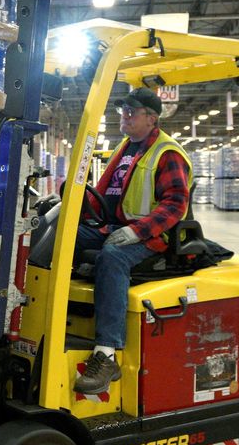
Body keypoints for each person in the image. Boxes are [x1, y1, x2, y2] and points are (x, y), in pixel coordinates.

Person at [73, 87, 192, 395]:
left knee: (112, 256)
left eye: (131, 112)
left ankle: (106, 354)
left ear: (151, 118)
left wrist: (138, 231)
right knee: (61, 238)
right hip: (114, 227)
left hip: (152, 237)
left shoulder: (167, 153)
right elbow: (107, 194)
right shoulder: (125, 149)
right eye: (122, 111)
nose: (124, 117)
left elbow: (176, 203)